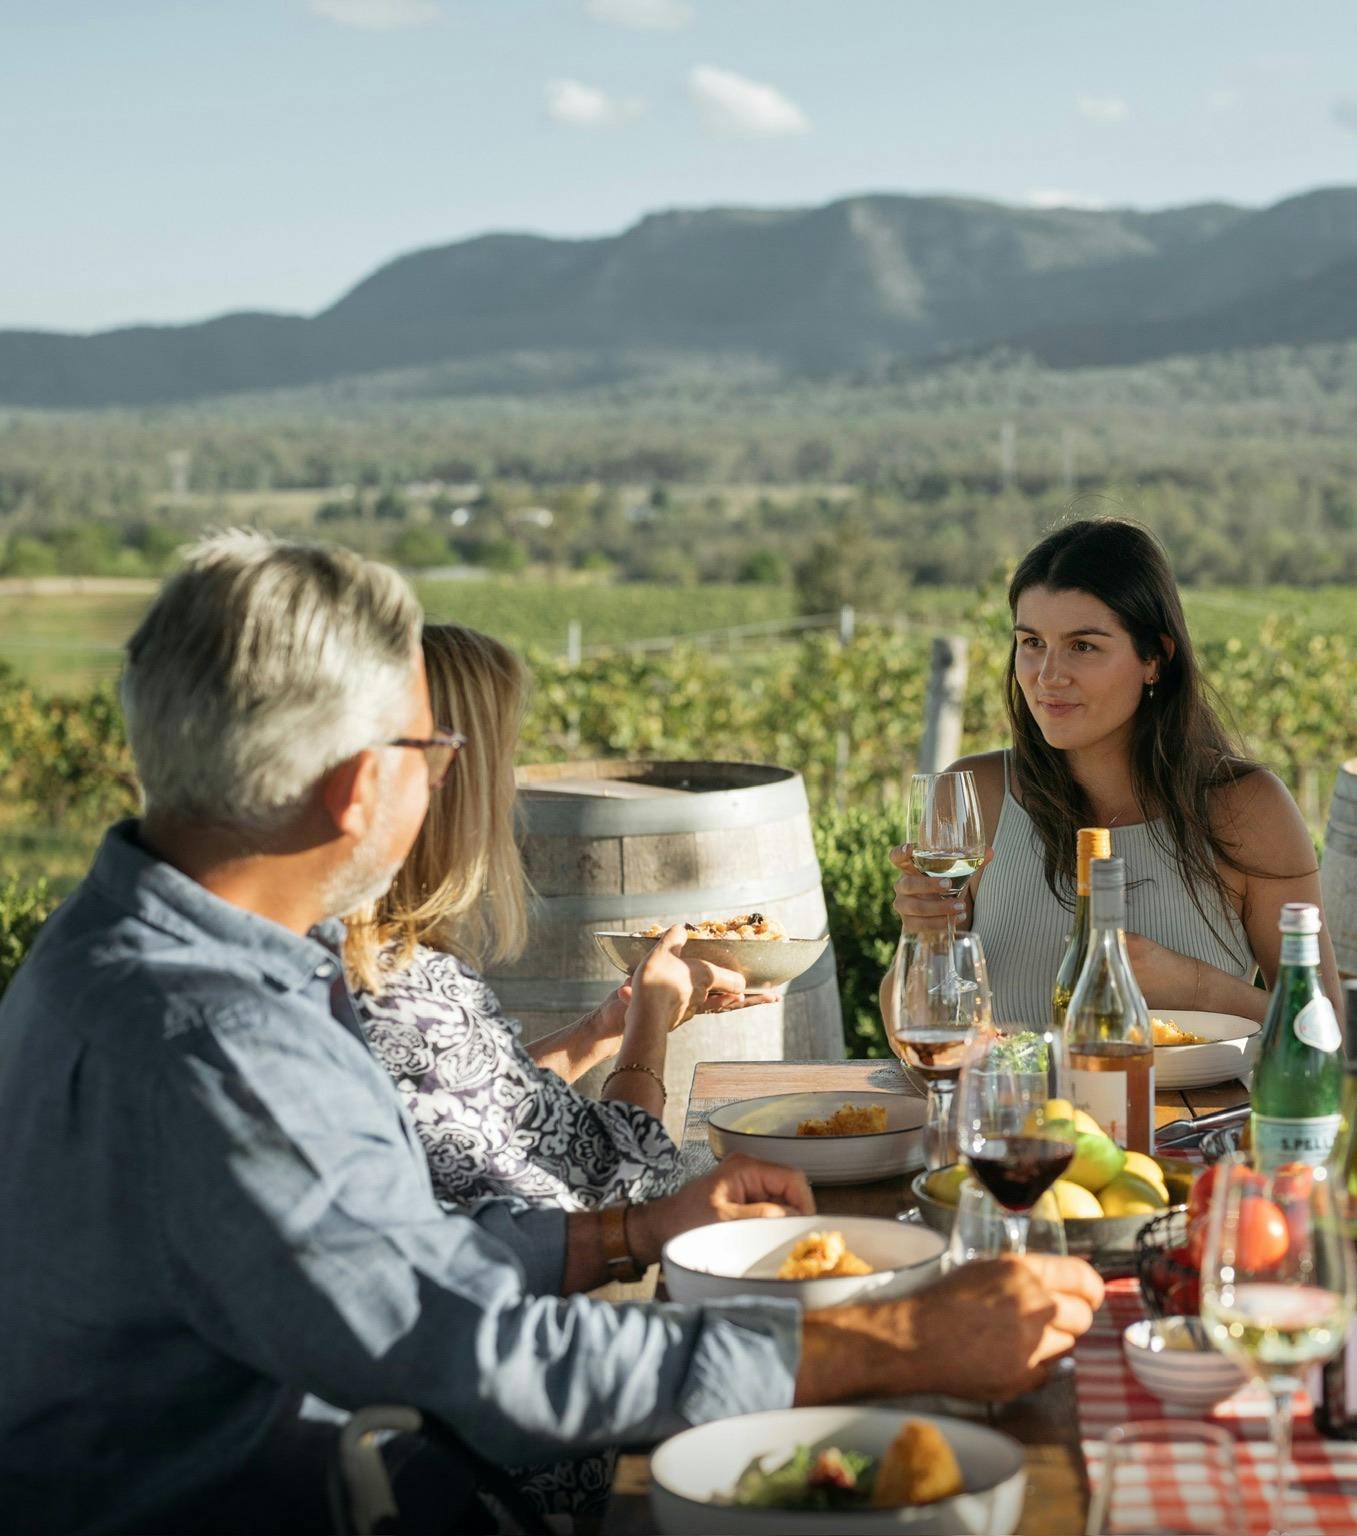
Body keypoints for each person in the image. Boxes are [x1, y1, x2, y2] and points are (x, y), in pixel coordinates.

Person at [0, 533, 1102, 1534]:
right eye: (432, 748)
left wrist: (620, 1235)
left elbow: (383, 1265)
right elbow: (474, 1354)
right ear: (359, 787)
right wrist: (895, 1340)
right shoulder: (222, 1041)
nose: (449, 778)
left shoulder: (124, 950)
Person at [344, 623, 778, 1217]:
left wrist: (603, 1027)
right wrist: (649, 1024)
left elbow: (484, 1107)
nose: (509, 789)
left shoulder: (370, 953)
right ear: (454, 779)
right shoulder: (398, 989)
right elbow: (618, 1186)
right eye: (504, 758)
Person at [892, 516, 1339, 1028]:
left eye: (1083, 646)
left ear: (1155, 659)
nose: (1048, 675)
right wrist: (922, 936)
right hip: (1007, 1088)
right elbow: (913, 1027)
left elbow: (1331, 1036)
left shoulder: (1245, 807)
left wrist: (1195, 987)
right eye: (1032, 642)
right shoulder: (977, 794)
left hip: (1189, 1090)